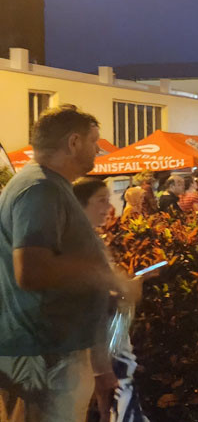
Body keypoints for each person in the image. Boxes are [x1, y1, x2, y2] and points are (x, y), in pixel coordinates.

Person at [0, 106, 132, 419]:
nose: (98, 150)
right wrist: (104, 276)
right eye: (94, 141)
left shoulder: (47, 186)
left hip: (49, 353)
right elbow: (31, 270)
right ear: (73, 142)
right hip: (43, 358)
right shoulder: (40, 189)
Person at [73, 177, 150, 422]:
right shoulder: (81, 243)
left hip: (106, 352)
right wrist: (102, 368)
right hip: (104, 352)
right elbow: (92, 305)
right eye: (101, 200)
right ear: (79, 204)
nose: (109, 206)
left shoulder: (87, 240)